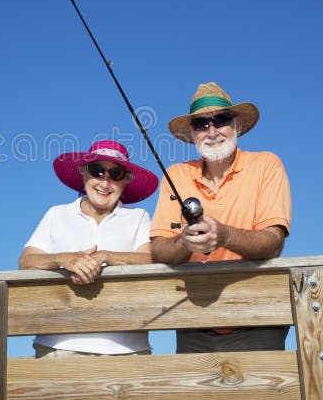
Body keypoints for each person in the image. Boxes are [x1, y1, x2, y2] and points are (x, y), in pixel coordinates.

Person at [150, 81, 292, 353]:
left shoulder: (267, 165)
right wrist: (185, 243)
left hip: (259, 317)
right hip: (194, 319)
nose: (212, 130)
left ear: (236, 124)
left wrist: (223, 235)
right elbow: (159, 248)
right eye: (201, 124)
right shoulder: (175, 175)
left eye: (221, 119)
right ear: (192, 134)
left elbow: (273, 243)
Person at [19, 140, 159, 358]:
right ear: (83, 174)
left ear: (125, 182)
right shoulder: (56, 214)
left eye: (116, 174)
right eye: (97, 171)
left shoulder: (139, 217)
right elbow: (26, 261)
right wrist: (64, 259)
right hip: (58, 344)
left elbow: (150, 258)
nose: (105, 182)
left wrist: (106, 256)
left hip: (127, 349)